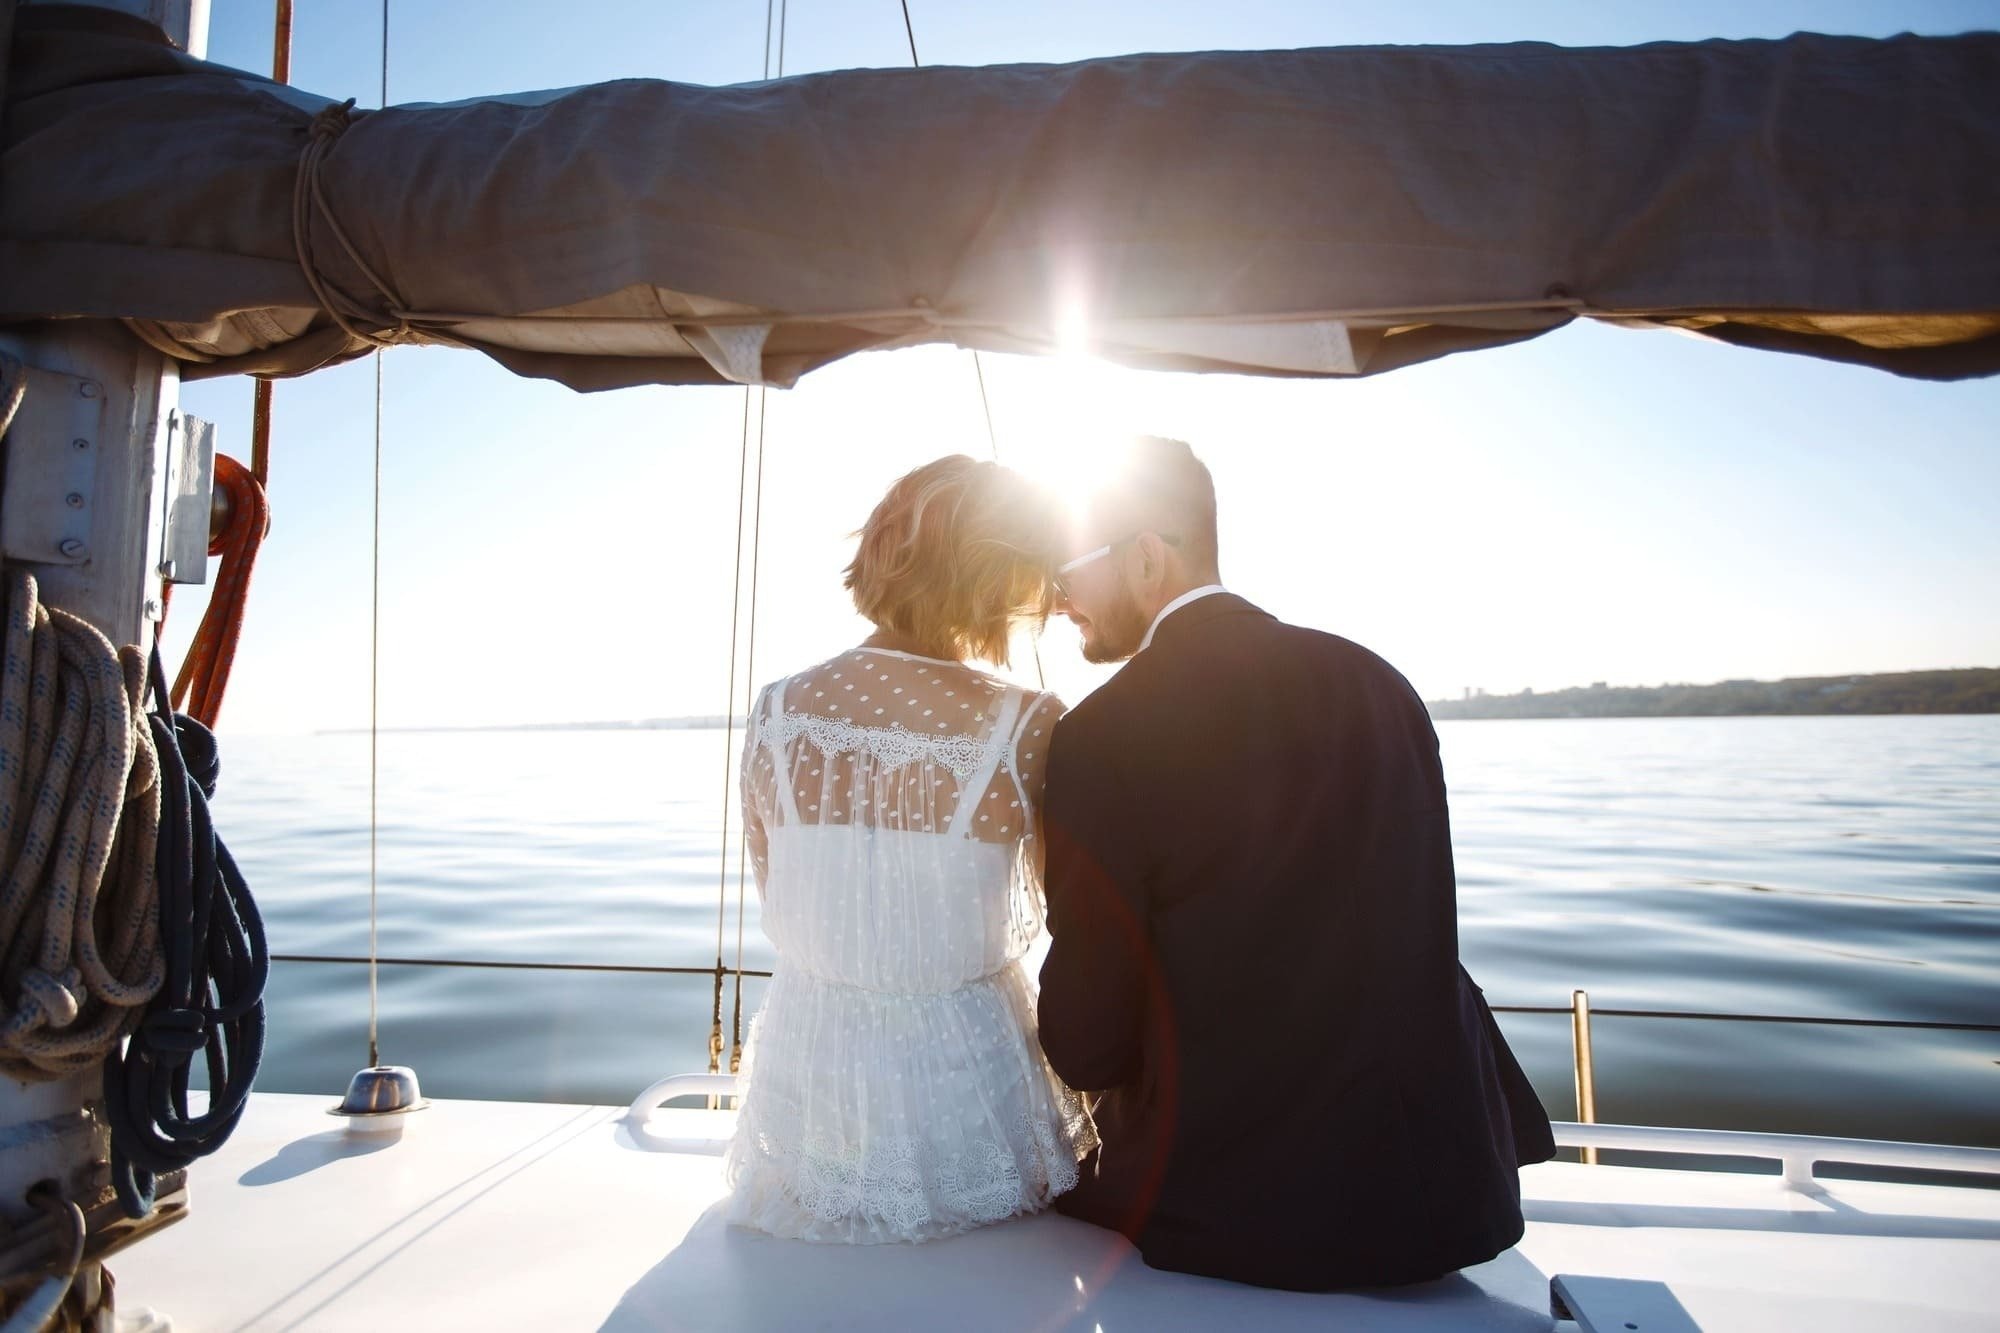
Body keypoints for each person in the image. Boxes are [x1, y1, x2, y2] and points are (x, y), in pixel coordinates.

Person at [1037, 435, 1555, 1290]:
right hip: (1440, 1194)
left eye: (1067, 572)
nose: (1058, 601)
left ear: (1143, 559)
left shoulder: (1103, 733)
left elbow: (1089, 1038)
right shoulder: (1379, 683)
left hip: (1230, 1205)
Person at [727, 454, 1094, 1244]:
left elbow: (777, 888)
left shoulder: (778, 708)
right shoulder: (1029, 722)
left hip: (807, 1094)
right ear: (999, 574)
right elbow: (1070, 911)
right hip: (971, 1107)